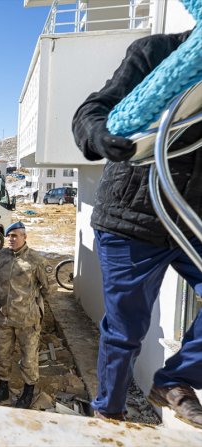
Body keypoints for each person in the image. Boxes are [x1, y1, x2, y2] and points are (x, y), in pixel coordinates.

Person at [72, 27, 202, 426]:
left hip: (191, 219)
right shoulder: (158, 52)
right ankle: (109, 408)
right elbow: (92, 111)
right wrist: (98, 134)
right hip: (132, 217)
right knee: (127, 328)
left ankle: (175, 379)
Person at [0, 221, 50, 409]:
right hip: (4, 319)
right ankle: (3, 388)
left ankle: (28, 392)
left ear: (24, 237)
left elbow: (48, 289)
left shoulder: (36, 261)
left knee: (29, 358)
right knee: (2, 355)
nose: (11, 239)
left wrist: (35, 308)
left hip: (27, 321)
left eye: (15, 236)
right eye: (9, 236)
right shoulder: (2, 257)